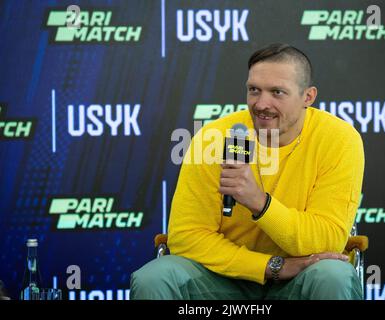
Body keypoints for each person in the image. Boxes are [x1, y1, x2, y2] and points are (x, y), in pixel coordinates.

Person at [131, 43, 365, 300]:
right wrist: (272, 267)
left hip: (302, 278)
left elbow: (326, 239)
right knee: (153, 278)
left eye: (277, 92)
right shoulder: (215, 137)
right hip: (222, 280)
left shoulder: (339, 139)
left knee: (333, 275)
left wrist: (260, 204)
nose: (261, 104)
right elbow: (187, 237)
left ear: (308, 97)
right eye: (254, 90)